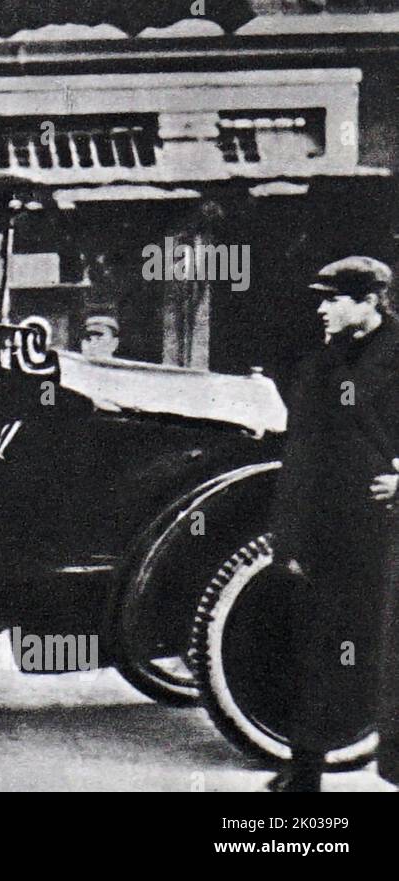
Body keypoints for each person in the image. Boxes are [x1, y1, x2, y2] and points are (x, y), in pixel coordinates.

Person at [268, 256, 399, 792]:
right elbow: (300, 453)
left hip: (387, 530)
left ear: (368, 301)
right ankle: (304, 778)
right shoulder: (320, 363)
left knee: (388, 652)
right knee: (319, 650)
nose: (322, 309)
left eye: (334, 299)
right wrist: (289, 538)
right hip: (329, 531)